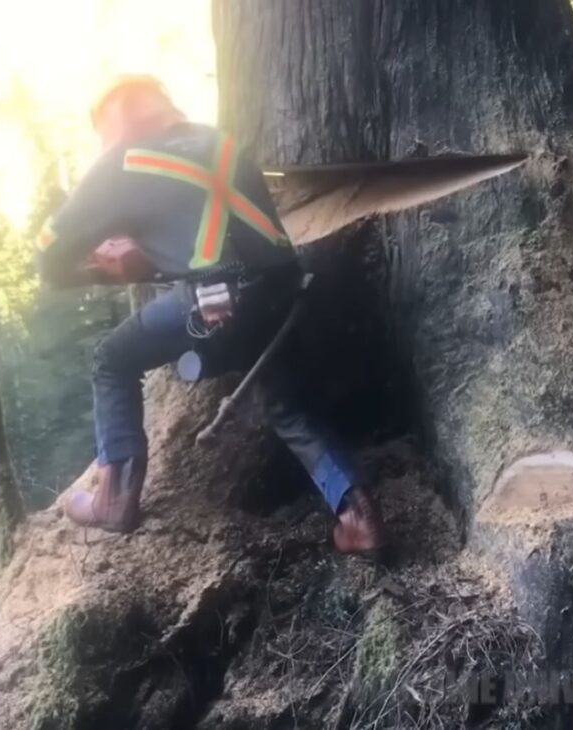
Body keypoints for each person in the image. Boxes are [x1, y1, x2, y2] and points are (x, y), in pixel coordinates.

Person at [35, 75, 384, 554]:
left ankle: (113, 499)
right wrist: (148, 256)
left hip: (215, 303)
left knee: (112, 359)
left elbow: (48, 258)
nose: (102, 143)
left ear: (120, 119)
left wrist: (106, 268)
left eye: (102, 130)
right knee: (289, 409)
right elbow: (201, 225)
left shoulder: (121, 162)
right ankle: (357, 512)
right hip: (287, 298)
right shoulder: (221, 144)